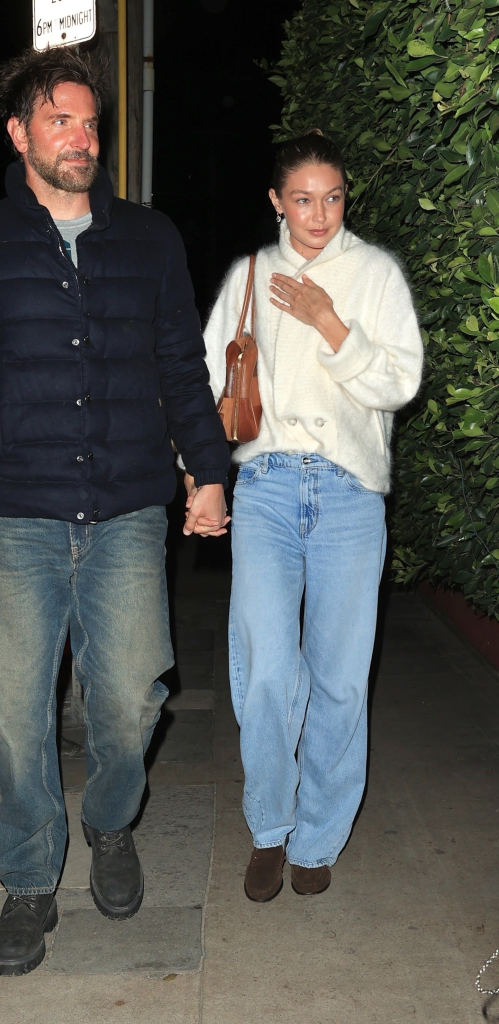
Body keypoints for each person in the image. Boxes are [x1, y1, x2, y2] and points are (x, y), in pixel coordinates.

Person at [0, 46, 230, 977]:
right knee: (15, 714)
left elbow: (181, 367)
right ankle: (30, 880)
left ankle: (111, 823)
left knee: (128, 703)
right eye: (60, 122)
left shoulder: (150, 240)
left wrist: (207, 469)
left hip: (127, 511)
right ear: (19, 133)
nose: (81, 138)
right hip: (15, 517)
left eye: (90, 123)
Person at [196, 131, 423, 903]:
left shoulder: (375, 275)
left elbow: (398, 384)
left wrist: (331, 324)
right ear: (274, 201)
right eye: (302, 197)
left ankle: (317, 836)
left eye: (332, 197)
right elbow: (204, 380)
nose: (318, 213)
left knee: (337, 680)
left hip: (349, 497)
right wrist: (202, 479)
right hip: (263, 485)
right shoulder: (249, 275)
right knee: (264, 670)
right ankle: (269, 823)